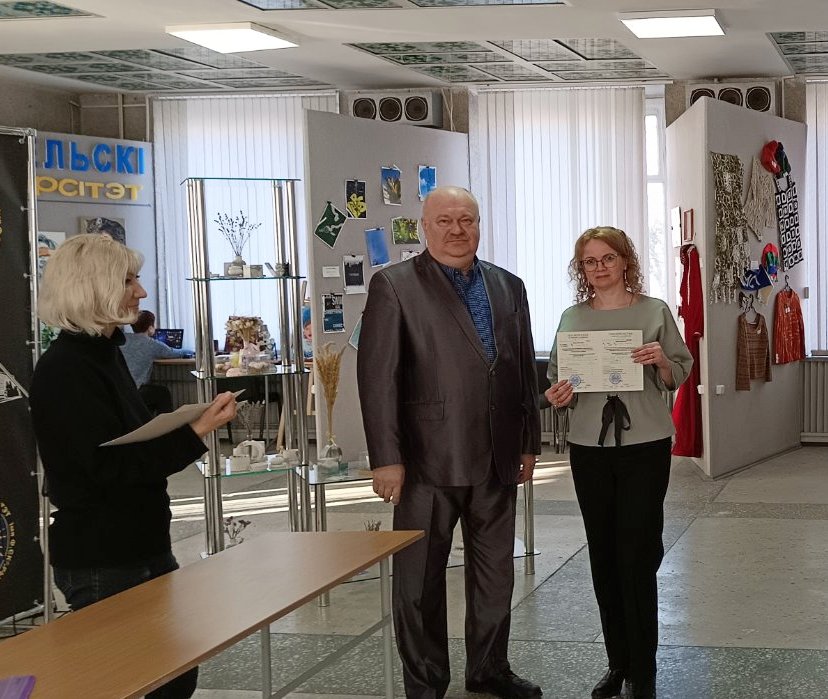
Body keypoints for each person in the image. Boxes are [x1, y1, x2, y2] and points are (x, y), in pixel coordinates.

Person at [29, 234, 237, 699]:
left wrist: (188, 427)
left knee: (175, 678)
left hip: (143, 544)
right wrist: (195, 432)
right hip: (104, 557)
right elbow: (108, 469)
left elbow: (132, 442)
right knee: (128, 683)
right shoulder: (65, 369)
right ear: (93, 286)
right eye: (128, 281)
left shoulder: (106, 354)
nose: (140, 292)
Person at [357, 186, 542, 699]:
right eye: (445, 220)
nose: (457, 230)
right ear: (425, 226)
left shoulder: (509, 286)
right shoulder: (394, 285)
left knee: (496, 576)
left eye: (467, 220)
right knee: (418, 581)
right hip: (425, 461)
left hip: (498, 457)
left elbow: (522, 369)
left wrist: (528, 441)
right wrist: (386, 458)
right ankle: (425, 682)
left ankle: (488, 669)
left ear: (479, 224)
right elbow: (378, 378)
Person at [544, 226, 693, 699]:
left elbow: (678, 373)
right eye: (590, 261)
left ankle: (643, 670)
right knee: (604, 555)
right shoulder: (571, 318)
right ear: (581, 270)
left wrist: (660, 361)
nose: (600, 268)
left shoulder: (654, 311)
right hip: (589, 447)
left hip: (645, 443)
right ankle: (617, 663)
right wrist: (558, 396)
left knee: (638, 553)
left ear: (625, 260)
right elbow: (558, 381)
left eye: (608, 258)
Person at [121, 310, 191, 415]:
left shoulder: (124, 339)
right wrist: (192, 351)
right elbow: (174, 353)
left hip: (121, 390)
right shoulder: (151, 344)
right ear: (150, 328)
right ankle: (166, 424)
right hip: (136, 390)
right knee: (163, 393)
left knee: (152, 395)